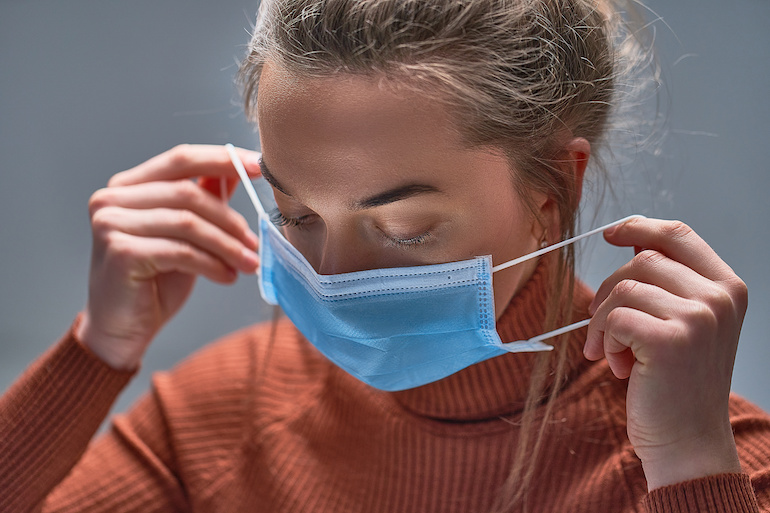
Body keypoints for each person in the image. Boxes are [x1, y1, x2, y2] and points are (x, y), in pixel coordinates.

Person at [1, 0, 769, 511]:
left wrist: (688, 466)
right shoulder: (214, 421)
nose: (330, 279)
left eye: (403, 229)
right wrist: (95, 352)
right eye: (293, 212)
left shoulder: (714, 459)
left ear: (550, 192)